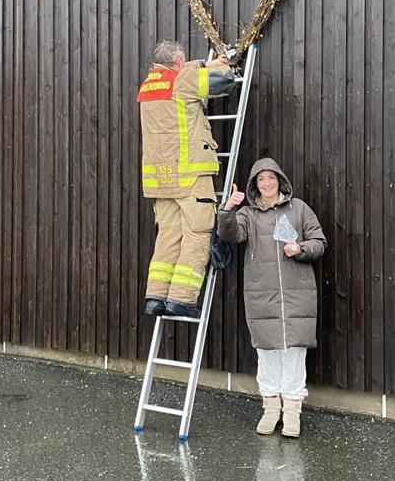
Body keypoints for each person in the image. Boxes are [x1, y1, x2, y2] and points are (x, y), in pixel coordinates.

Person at [217, 159, 326, 437]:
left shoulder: (299, 208)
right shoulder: (248, 214)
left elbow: (319, 242)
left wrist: (300, 248)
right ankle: (270, 411)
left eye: (271, 178)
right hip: (261, 297)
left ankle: (292, 415)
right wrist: (228, 209)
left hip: (296, 297)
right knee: (267, 355)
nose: (267, 183)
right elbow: (229, 234)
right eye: (261, 179)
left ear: (280, 180)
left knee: (293, 355)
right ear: (255, 184)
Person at [138, 39, 235, 319]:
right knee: (198, 233)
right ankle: (182, 298)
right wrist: (222, 65)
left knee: (168, 236)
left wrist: (203, 64)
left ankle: (156, 296)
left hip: (160, 181)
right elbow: (223, 82)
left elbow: (186, 75)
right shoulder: (183, 81)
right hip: (189, 174)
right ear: (178, 61)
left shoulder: (149, 85)